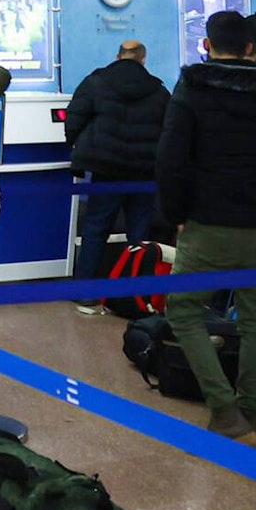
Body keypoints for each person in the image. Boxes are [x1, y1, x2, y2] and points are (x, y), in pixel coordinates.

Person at [157, 11, 256, 446]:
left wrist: (174, 214)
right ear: (250, 49)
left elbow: (170, 159)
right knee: (255, 319)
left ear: (207, 46)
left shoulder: (193, 89)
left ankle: (224, 411)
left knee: (183, 311)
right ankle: (251, 412)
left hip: (205, 222)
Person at [65, 40, 171, 312]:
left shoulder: (96, 82)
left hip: (107, 170)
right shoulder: (158, 90)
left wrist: (76, 145)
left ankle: (85, 290)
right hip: (144, 172)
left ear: (118, 56)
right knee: (140, 233)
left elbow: (74, 117)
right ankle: (137, 296)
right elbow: (170, 129)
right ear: (143, 59)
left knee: (95, 228)